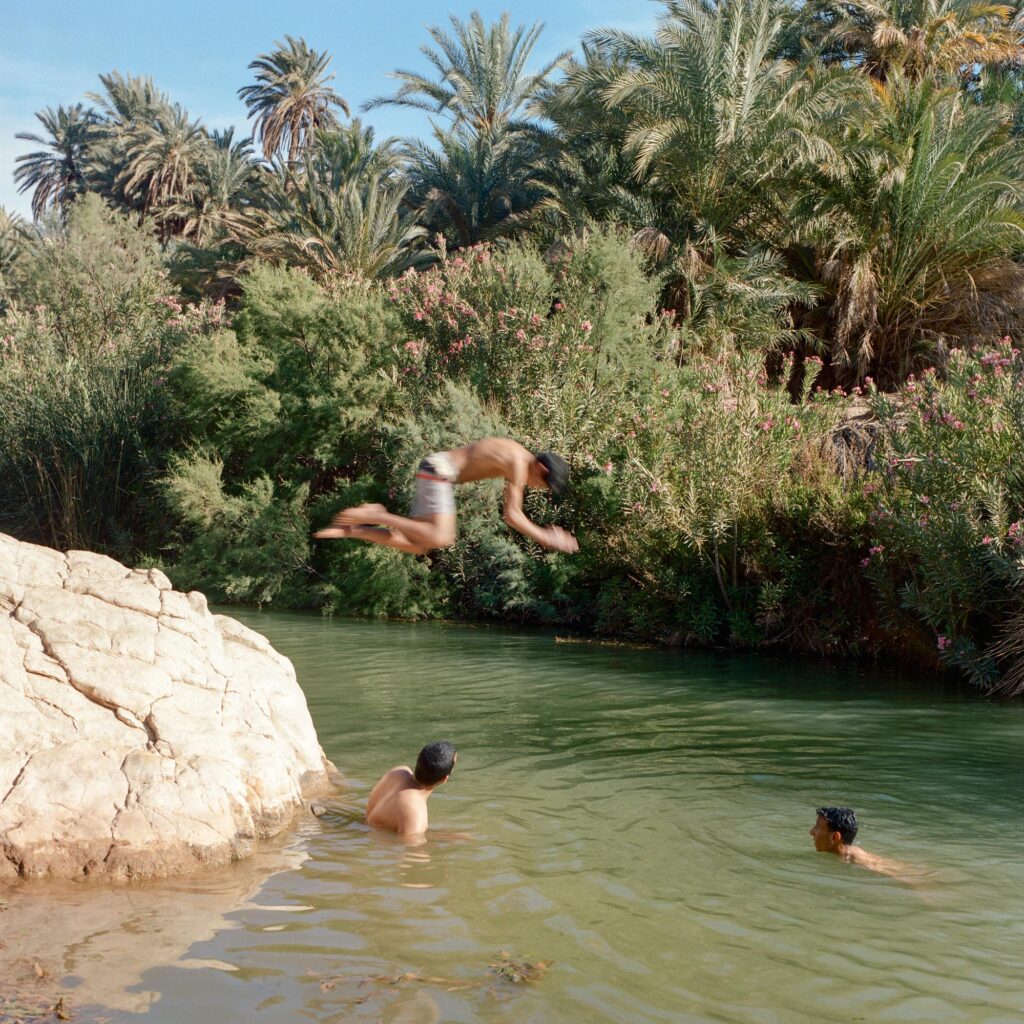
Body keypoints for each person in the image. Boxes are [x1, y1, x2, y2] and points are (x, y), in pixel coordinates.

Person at [313, 437, 578, 555]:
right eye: (544, 486)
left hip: (439, 473)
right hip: (439, 471)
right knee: (442, 536)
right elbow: (512, 515)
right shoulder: (520, 464)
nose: (538, 489)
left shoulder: (517, 457)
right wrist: (544, 536)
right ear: (542, 470)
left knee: (417, 544)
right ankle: (378, 515)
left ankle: (356, 530)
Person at [365, 741, 457, 839]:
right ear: (444, 779)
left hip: (364, 829)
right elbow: (410, 851)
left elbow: (378, 825)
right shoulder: (416, 814)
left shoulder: (398, 772)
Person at [809, 806, 916, 880]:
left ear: (835, 837)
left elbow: (907, 876)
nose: (811, 832)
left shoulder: (860, 860)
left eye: (817, 827)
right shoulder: (844, 854)